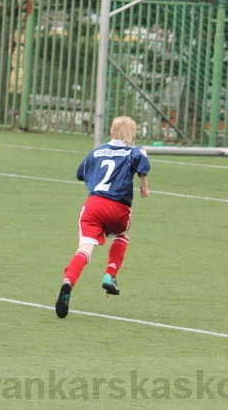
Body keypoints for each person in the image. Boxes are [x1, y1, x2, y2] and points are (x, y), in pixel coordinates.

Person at [55, 115, 150, 319]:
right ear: (131, 135)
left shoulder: (97, 151)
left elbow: (81, 173)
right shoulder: (133, 150)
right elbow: (141, 158)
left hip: (94, 205)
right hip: (118, 206)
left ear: (111, 132)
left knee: (85, 250)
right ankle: (110, 274)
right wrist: (144, 186)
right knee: (123, 233)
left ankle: (68, 282)